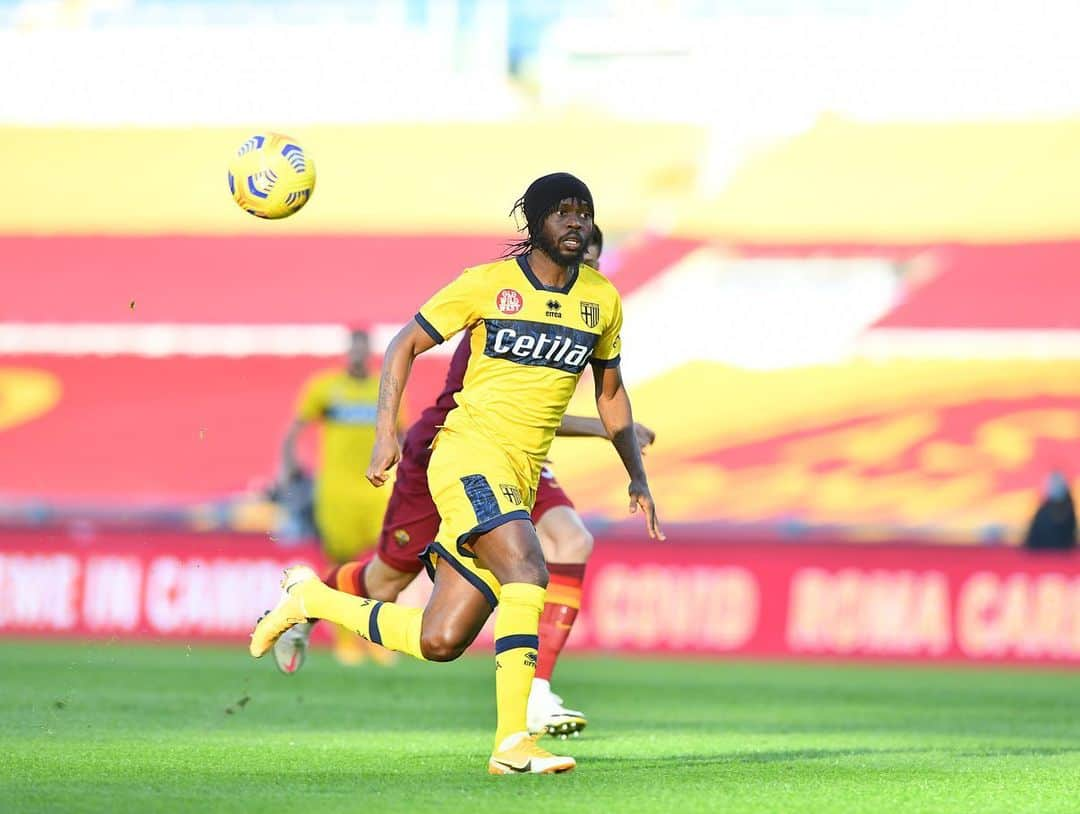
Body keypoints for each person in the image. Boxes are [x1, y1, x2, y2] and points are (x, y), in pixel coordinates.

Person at [250, 172, 663, 775]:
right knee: (529, 568)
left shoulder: (601, 301)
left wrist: (637, 475)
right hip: (468, 456)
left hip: (519, 473)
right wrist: (386, 432)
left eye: (585, 213)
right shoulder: (488, 285)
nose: (576, 223)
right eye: (563, 213)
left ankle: (309, 598)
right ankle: (513, 742)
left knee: (441, 640)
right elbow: (402, 345)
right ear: (536, 223)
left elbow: (611, 392)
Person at [277, 328, 397, 665]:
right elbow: (295, 429)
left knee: (387, 565)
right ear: (349, 352)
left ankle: (376, 638)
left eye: (363, 350)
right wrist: (288, 468)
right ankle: (345, 641)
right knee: (340, 565)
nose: (358, 356)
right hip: (336, 492)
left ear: (370, 352)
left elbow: (400, 434)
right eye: (354, 350)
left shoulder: (384, 389)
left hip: (377, 489)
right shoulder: (325, 388)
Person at [1023, 472, 1077, 551]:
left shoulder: (1068, 509)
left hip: (1059, 554)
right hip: (1042, 554)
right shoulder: (1044, 508)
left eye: (1055, 485)